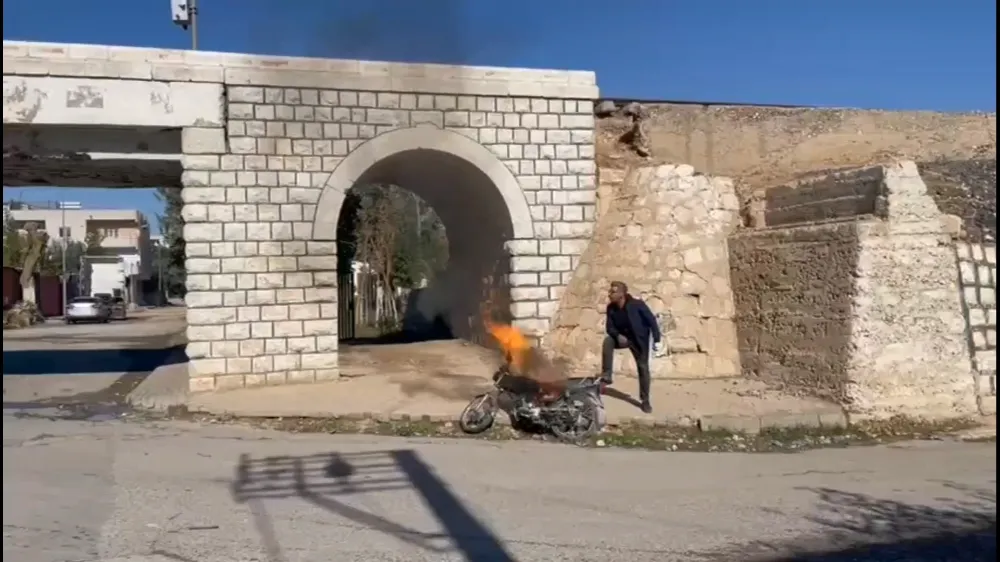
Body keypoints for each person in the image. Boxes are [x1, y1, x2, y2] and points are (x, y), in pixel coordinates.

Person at [600, 281, 662, 414]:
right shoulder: (611, 308)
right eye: (610, 291)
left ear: (622, 294)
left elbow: (651, 321)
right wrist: (617, 336)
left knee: (643, 367)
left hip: (639, 340)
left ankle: (645, 401)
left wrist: (657, 339)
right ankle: (607, 375)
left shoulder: (637, 305)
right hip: (623, 338)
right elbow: (609, 327)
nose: (610, 294)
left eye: (613, 292)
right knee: (608, 341)